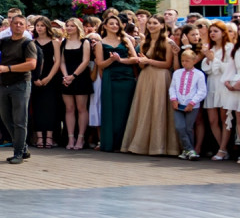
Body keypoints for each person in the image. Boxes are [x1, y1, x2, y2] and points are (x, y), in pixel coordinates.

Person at [121, 18, 179, 156]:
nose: (151, 25)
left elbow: (167, 64)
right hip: (145, 77)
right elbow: (141, 65)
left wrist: (148, 60)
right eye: (150, 23)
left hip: (161, 77)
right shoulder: (144, 42)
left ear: (162, 25)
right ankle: (141, 145)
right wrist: (142, 62)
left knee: (159, 109)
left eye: (155, 23)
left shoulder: (167, 42)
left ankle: (159, 146)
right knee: (144, 108)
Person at [0, 13, 39, 164]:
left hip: (21, 84)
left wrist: (8, 68)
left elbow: (31, 64)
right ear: (10, 25)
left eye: (21, 24)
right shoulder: (4, 41)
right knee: (5, 118)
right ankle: (22, 147)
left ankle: (18, 152)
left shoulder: (28, 43)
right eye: (15, 23)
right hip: (3, 84)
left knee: (20, 120)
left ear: (25, 27)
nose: (18, 26)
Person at [95, 14, 138, 153]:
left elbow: (134, 59)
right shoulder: (100, 43)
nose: (114, 26)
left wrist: (120, 60)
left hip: (126, 77)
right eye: (111, 23)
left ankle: (124, 143)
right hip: (110, 77)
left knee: (126, 109)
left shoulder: (125, 39)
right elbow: (100, 64)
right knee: (110, 110)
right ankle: (110, 143)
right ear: (105, 26)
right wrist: (112, 60)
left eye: (116, 24)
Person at [200, 21, 235, 161]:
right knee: (213, 120)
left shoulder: (230, 47)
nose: (212, 34)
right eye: (211, 31)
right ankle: (222, 148)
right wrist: (208, 60)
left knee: (224, 119)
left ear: (223, 32)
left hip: (223, 85)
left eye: (216, 31)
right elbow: (206, 68)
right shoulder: (210, 47)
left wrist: (214, 60)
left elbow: (230, 68)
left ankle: (222, 149)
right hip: (212, 84)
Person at [30, 16, 65, 149]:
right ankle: (39, 137)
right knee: (38, 108)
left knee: (51, 107)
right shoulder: (32, 42)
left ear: (47, 27)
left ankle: (49, 137)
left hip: (51, 78)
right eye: (37, 25)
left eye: (42, 25)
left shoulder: (55, 42)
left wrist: (48, 78)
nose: (39, 28)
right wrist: (35, 79)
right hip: (36, 78)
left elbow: (57, 61)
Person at [59, 18, 93, 150]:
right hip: (66, 77)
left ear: (78, 27)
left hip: (80, 77)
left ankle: (81, 137)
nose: (69, 28)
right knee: (69, 108)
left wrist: (73, 76)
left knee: (81, 108)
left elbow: (85, 61)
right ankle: (70, 137)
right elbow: (61, 61)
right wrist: (66, 76)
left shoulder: (85, 42)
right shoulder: (64, 42)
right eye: (67, 26)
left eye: (72, 26)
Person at [169, 49, 207, 160]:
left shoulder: (199, 74)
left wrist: (192, 102)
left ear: (194, 61)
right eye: (183, 61)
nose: (184, 63)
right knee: (180, 126)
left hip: (192, 106)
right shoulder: (177, 73)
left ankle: (188, 151)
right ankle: (190, 150)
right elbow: (172, 88)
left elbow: (202, 91)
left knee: (189, 128)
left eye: (187, 61)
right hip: (178, 104)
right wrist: (173, 99)